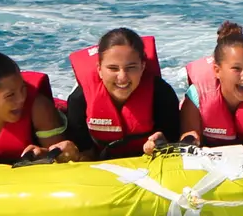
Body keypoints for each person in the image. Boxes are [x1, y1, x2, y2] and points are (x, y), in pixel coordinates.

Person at [61, 27, 181, 159]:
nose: (122, 77)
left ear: (142, 66)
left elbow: (174, 141)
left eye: (131, 68)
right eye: (113, 68)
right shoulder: (79, 99)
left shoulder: (162, 94)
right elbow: (84, 152)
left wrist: (163, 143)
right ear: (99, 69)